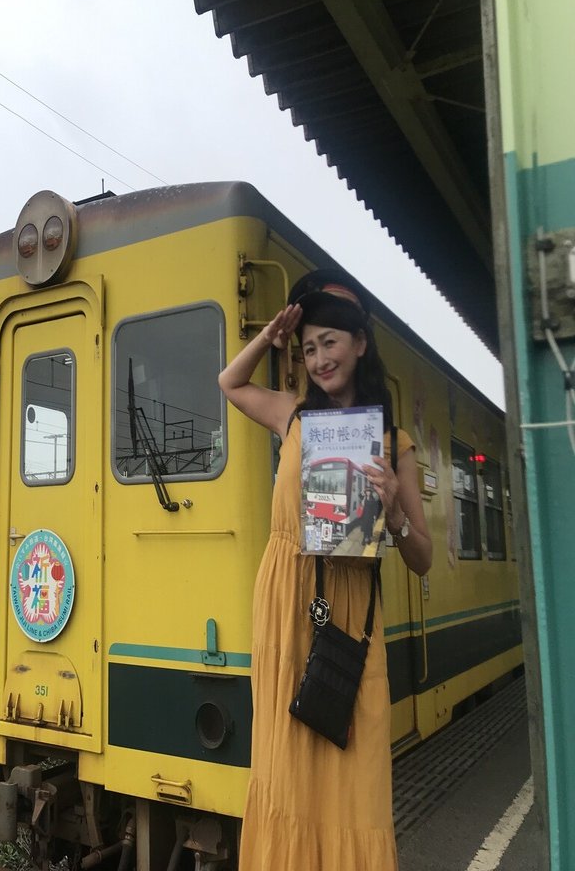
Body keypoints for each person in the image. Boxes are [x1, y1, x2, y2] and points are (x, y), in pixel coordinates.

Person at [217, 269, 432, 871]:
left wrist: (393, 515)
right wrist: (271, 336)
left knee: (352, 773)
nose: (318, 359)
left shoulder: (394, 439)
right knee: (283, 769)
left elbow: (423, 558)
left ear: (360, 344)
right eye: (309, 348)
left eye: (329, 342)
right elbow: (229, 382)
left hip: (351, 613)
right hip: (287, 602)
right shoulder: (293, 416)